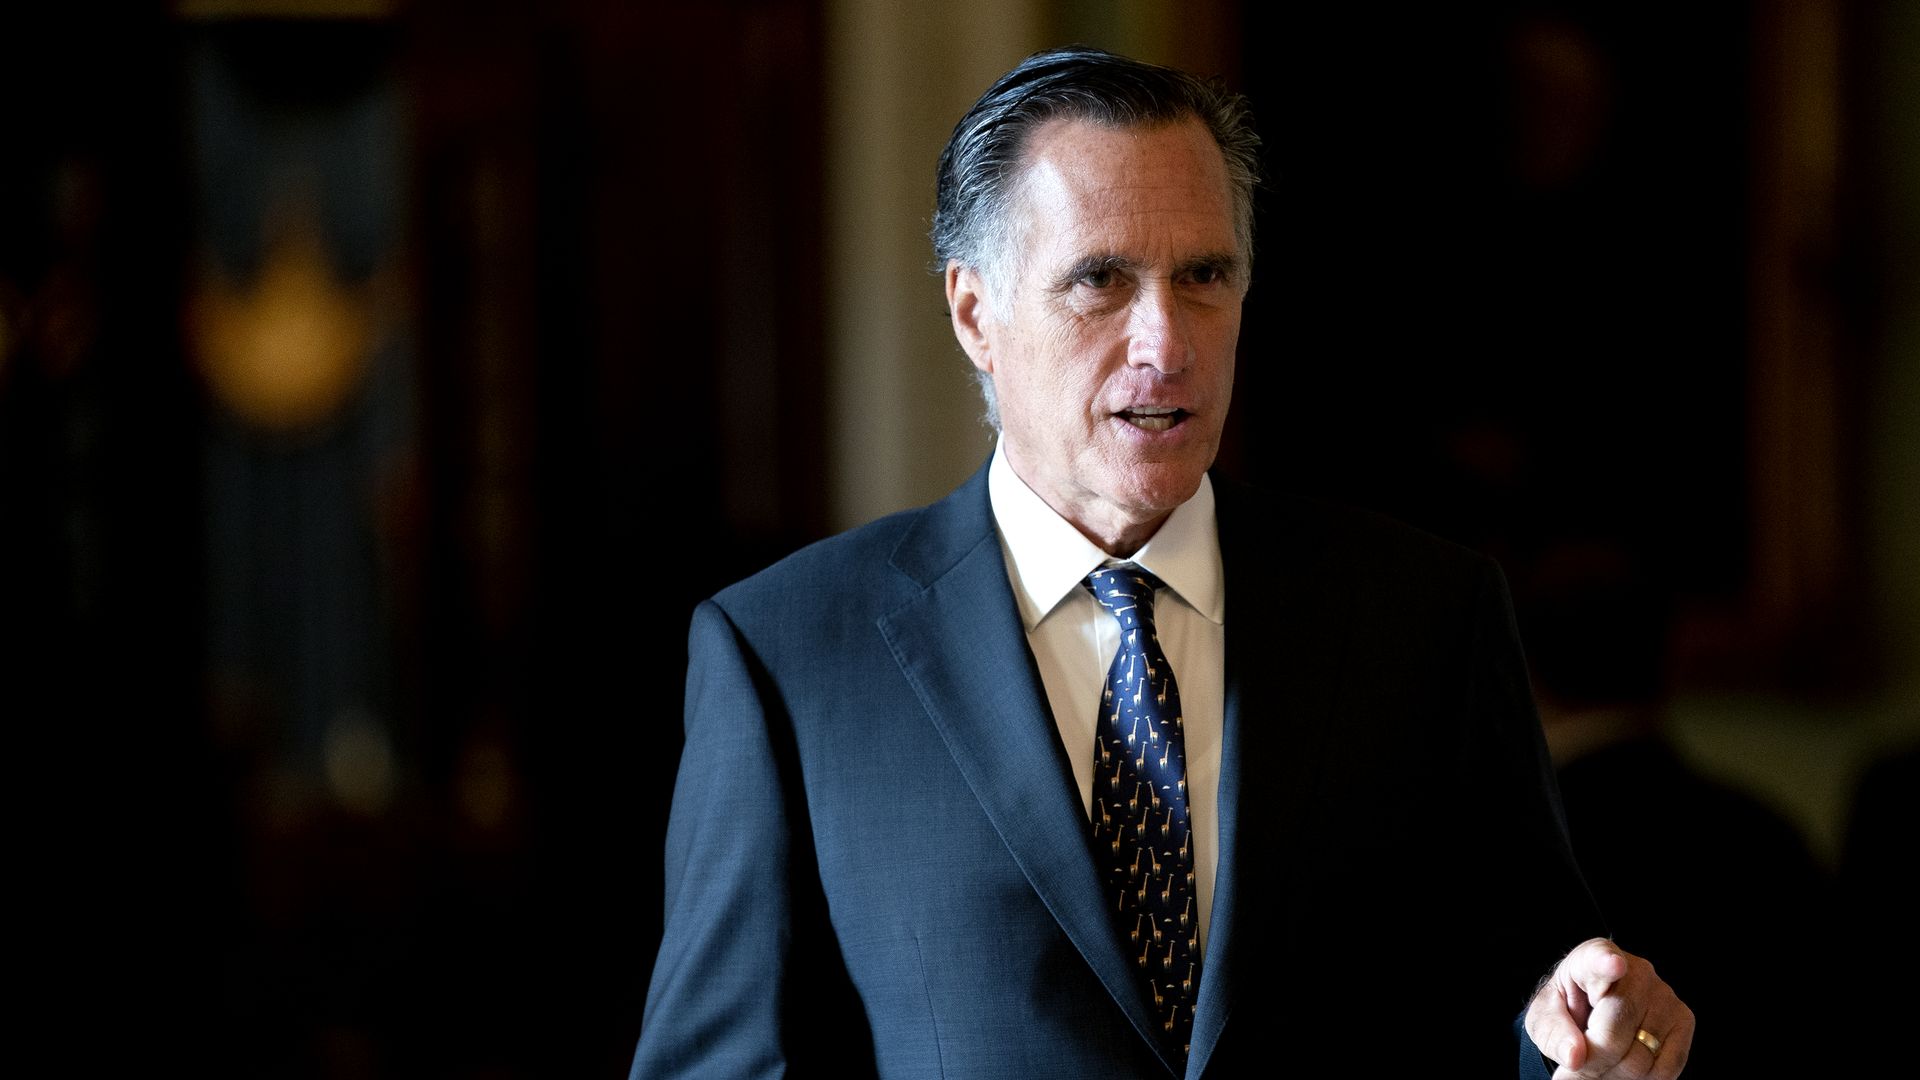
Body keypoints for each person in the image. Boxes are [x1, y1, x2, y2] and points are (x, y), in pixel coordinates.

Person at [632, 46, 1693, 1079]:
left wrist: (1595, 1038)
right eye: (1100, 280)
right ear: (975, 314)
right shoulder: (791, 656)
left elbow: (1527, 1008)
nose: (1167, 343)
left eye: (1204, 277)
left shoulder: (1423, 615)